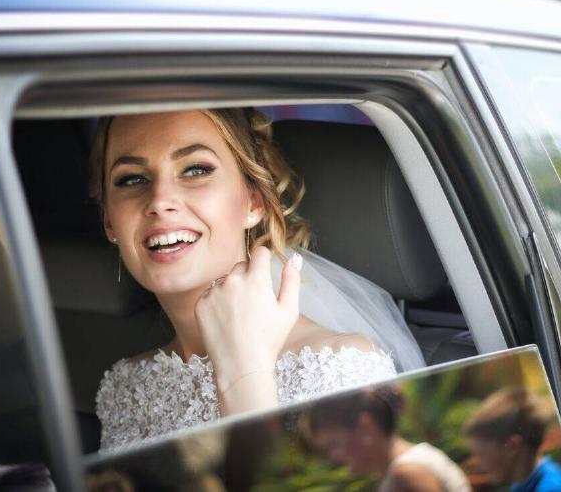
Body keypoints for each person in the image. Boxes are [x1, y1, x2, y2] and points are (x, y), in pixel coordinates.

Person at [92, 108, 425, 450]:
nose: (160, 201)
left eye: (196, 170)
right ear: (110, 223)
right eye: (131, 179)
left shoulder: (341, 370)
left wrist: (244, 379)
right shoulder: (125, 387)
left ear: (254, 201)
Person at [307, 385, 471, 492]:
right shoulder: (402, 469)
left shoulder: (407, 474)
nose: (333, 456)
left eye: (333, 444)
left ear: (365, 426)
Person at [463, 388, 561, 492]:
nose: (478, 465)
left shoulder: (555, 488)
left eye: (482, 454)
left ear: (512, 446)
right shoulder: (520, 486)